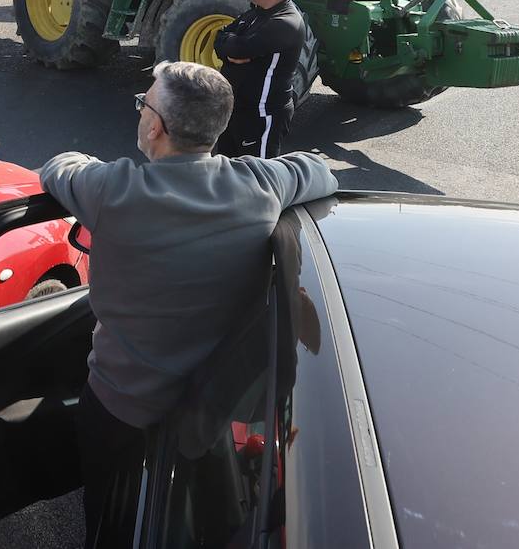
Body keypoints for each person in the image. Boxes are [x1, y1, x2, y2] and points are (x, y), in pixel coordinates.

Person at [37, 61, 337, 547]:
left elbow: (60, 167)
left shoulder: (113, 189)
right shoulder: (260, 185)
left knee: (108, 517)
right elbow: (318, 170)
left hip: (120, 407)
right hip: (213, 406)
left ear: (154, 126)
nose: (141, 111)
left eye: (144, 103)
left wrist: (85, 160)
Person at [213, 0, 306, 159]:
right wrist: (232, 49)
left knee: (256, 181)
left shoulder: (285, 23)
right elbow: (219, 38)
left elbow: (239, 49)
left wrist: (233, 49)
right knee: (226, 174)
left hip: (261, 115)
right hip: (235, 110)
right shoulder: (255, 14)